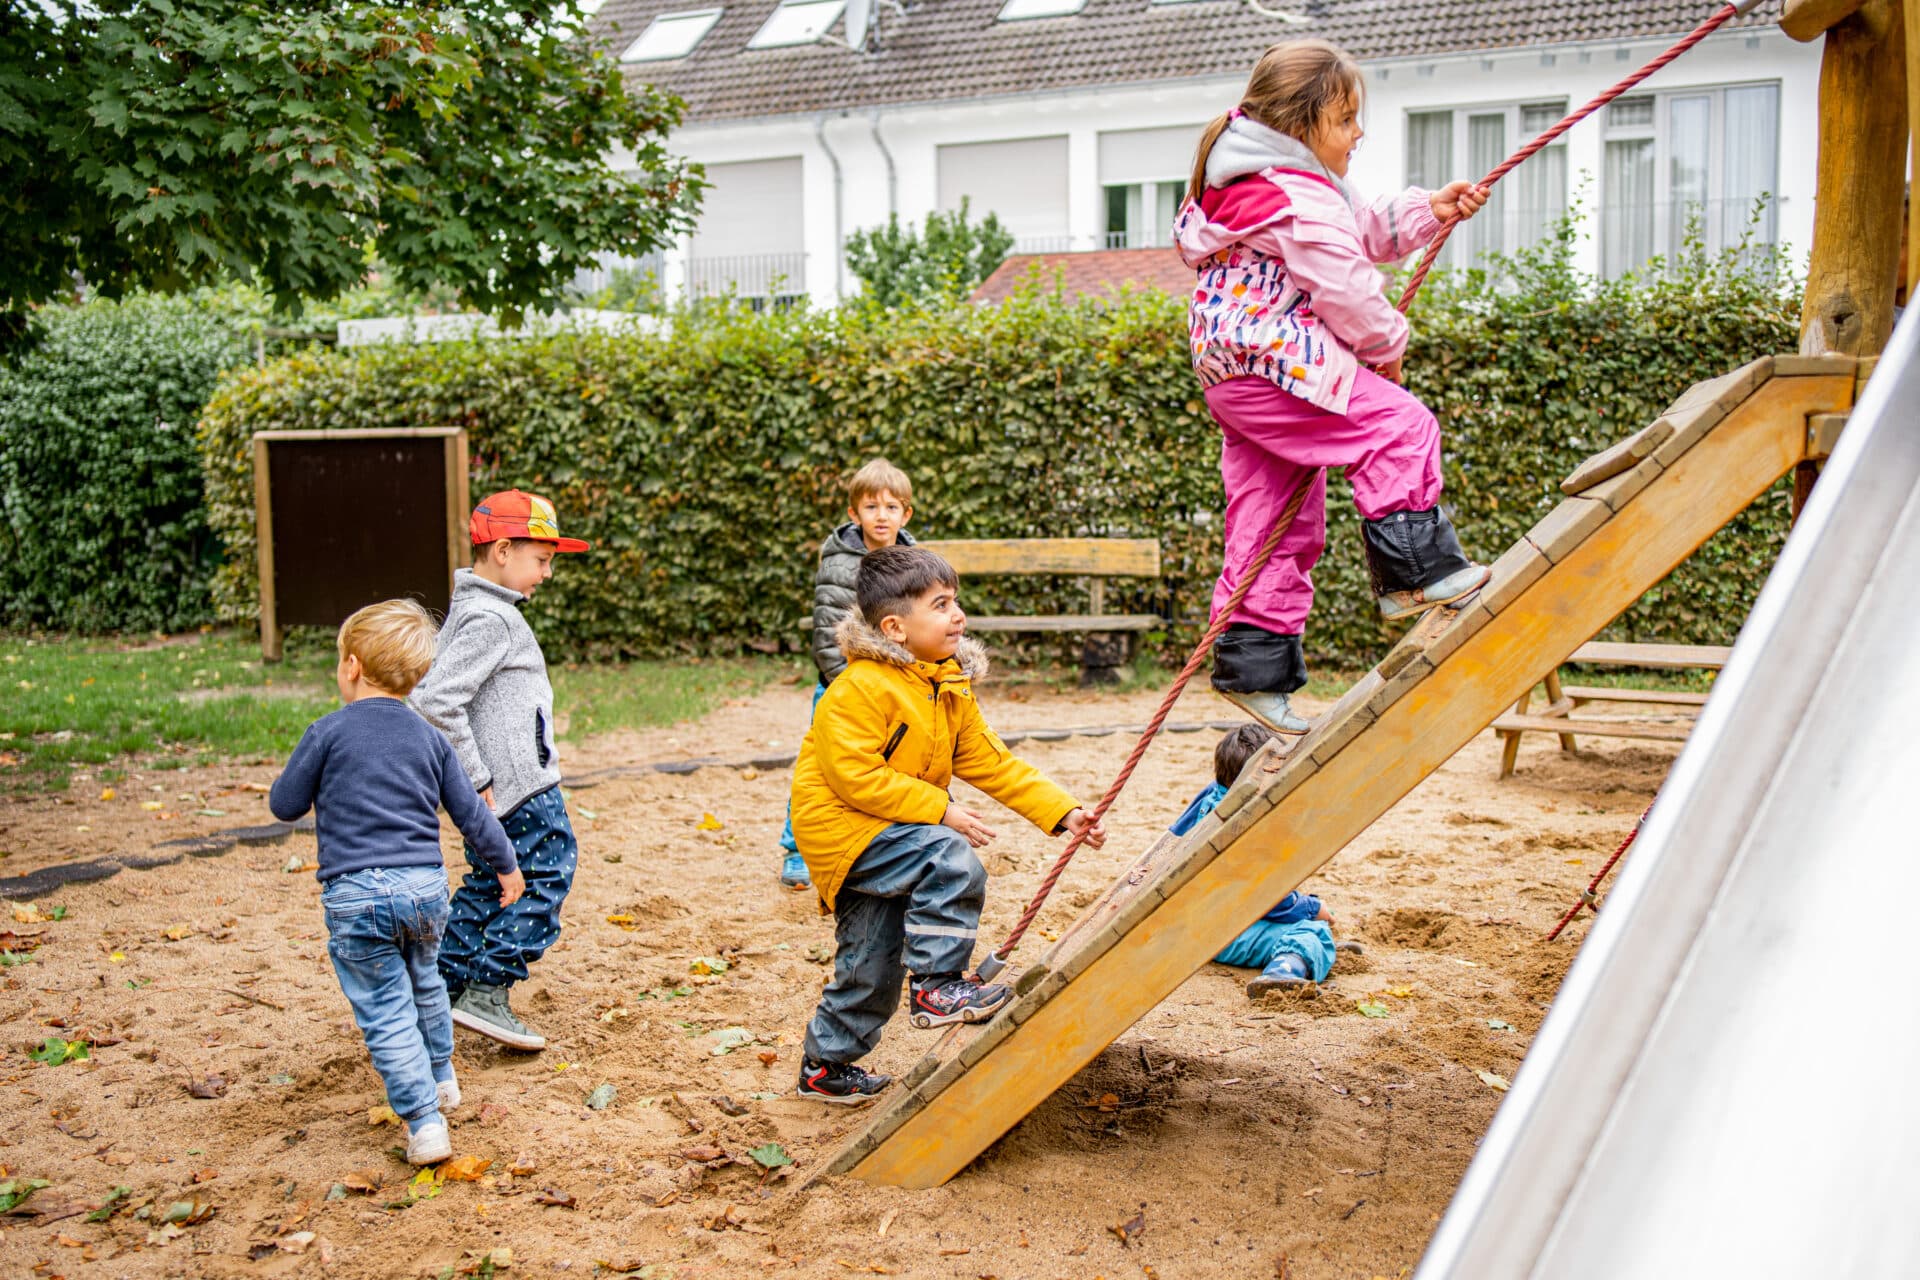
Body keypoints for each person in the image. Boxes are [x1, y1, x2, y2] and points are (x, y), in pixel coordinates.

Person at [1174, 38, 1493, 736]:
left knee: (1276, 517)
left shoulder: (1255, 183)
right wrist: (1388, 348)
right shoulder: (1295, 191)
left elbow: (1357, 231)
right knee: (1404, 428)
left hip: (1232, 374)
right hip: (1279, 363)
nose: (1358, 134)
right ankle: (1415, 575)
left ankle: (1254, 672)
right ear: (1302, 124)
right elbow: (1346, 284)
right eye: (1347, 119)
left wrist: (1425, 212)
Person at [789, 546, 1107, 1103]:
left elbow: (992, 762)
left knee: (872, 960)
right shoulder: (858, 688)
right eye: (940, 605)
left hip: (892, 828)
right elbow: (853, 776)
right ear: (896, 627)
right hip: (843, 827)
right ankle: (938, 987)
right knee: (948, 854)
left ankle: (825, 1066)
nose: (958, 615)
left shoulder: (948, 687)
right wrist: (941, 810)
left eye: (955, 602)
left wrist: (1063, 812)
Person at [269, 600, 525, 1165]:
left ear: (353, 666)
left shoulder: (326, 733)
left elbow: (285, 804)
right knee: (425, 981)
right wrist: (506, 864)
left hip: (357, 897)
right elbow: (471, 814)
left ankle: (423, 1121)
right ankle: (441, 1077)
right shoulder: (430, 738)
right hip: (424, 892)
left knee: (385, 1007)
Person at [410, 489, 589, 1053]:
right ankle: (487, 990)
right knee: (547, 874)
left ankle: (439, 990)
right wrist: (476, 774)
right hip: (519, 789)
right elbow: (435, 700)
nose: (548, 573)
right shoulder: (493, 619)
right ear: (504, 550)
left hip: (499, 788)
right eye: (542, 559)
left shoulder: (475, 611)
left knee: (492, 884)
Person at [778, 458, 919, 890]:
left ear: (905, 514)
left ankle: (879, 842)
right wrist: (848, 686)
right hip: (843, 685)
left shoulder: (913, 561)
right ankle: (796, 847)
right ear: (854, 514)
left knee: (887, 763)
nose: (882, 516)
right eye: (871, 507)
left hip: (891, 685)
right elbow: (828, 635)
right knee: (821, 765)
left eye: (891, 507)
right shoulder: (841, 565)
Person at [1171, 724, 1344, 996]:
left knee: (1305, 921)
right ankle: (1283, 970)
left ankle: (1301, 946)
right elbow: (1268, 900)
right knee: (1309, 933)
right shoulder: (1248, 827)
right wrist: (1312, 907)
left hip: (1189, 918)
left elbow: (1175, 835)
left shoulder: (1212, 797)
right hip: (1219, 935)